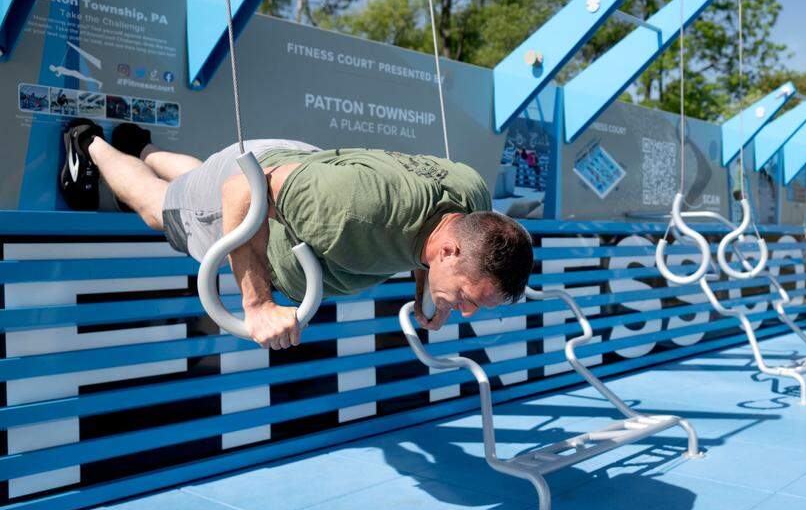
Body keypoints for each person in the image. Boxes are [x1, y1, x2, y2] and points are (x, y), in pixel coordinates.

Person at [58, 119, 534, 350]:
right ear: (451, 250)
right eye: (469, 298)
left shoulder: (471, 200)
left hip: (300, 171)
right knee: (160, 210)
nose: (466, 311)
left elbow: (429, 238)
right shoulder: (353, 210)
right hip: (258, 197)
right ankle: (90, 142)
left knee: (196, 178)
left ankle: (139, 146)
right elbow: (240, 191)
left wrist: (431, 290)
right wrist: (257, 306)